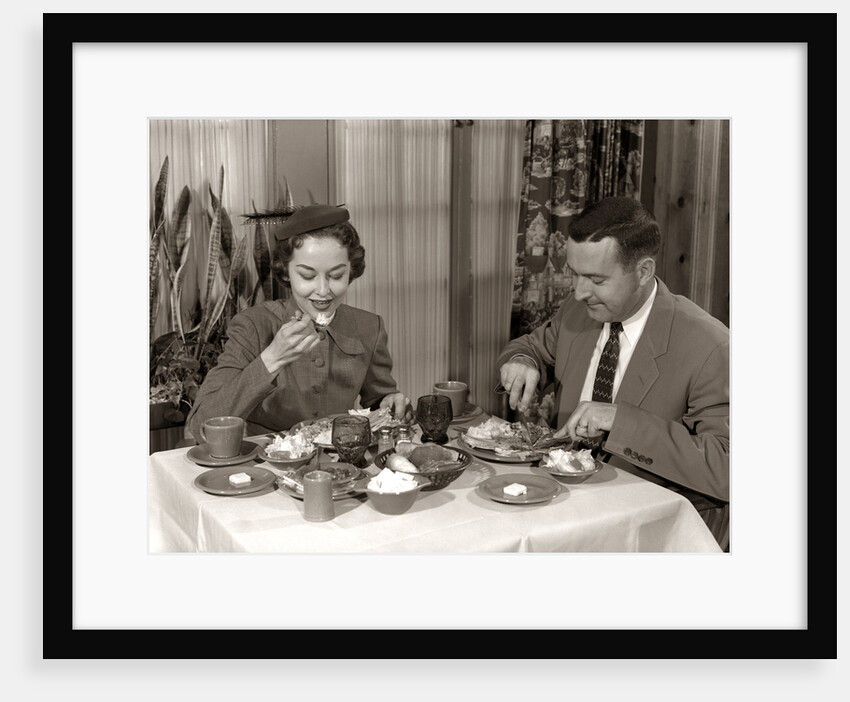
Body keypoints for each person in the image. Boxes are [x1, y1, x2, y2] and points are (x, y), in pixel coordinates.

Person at [497, 196, 729, 550]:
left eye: (596, 279)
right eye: (575, 274)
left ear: (643, 272)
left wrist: (621, 421)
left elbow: (728, 468)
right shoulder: (578, 312)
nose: (579, 292)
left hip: (650, 533)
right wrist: (522, 361)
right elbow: (530, 346)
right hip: (561, 510)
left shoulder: (710, 345)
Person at [185, 203, 412, 441]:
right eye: (307, 275)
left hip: (342, 465)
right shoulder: (252, 325)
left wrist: (390, 402)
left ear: (351, 271)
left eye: (336, 276)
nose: (323, 291)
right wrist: (272, 358)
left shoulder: (369, 327)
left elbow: (378, 402)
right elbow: (200, 425)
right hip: (265, 465)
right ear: (286, 272)